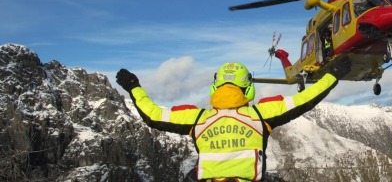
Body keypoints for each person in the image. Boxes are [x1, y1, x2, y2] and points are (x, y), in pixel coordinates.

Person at [116, 56, 352, 182]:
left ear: (214, 87)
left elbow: (152, 115)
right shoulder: (260, 115)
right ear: (247, 89)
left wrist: (134, 86)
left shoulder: (198, 119)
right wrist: (332, 75)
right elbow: (305, 100)